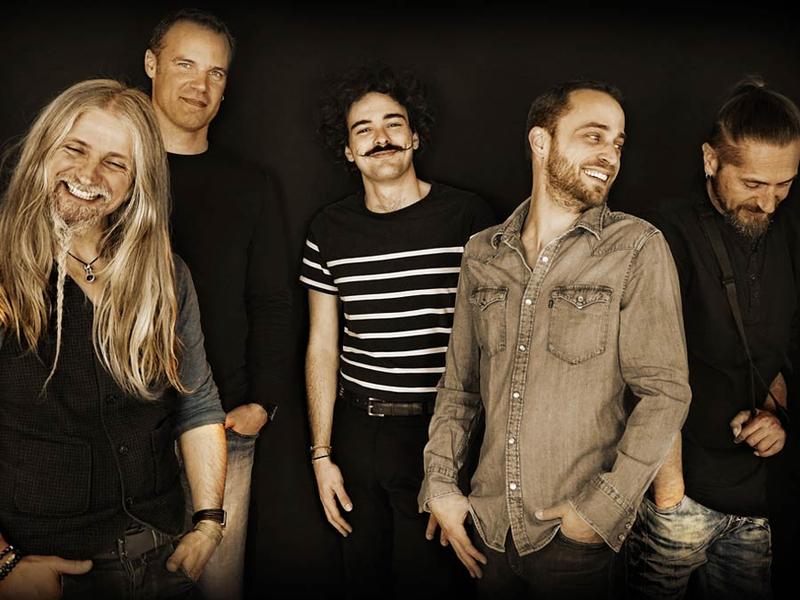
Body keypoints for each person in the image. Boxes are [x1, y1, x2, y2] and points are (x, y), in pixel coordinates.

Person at [419, 80, 692, 599]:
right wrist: (440, 484)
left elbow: (665, 393)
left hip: (577, 543)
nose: (610, 155)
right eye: (594, 136)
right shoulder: (483, 253)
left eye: (618, 143)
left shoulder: (635, 247)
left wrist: (602, 508)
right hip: (490, 529)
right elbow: (459, 387)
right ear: (541, 141)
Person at [0, 79, 226, 599]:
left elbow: (198, 405)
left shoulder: (165, 273)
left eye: (115, 163)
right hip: (46, 575)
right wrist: (4, 565)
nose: (88, 175)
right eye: (75, 149)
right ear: (43, 150)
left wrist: (209, 523)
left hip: (165, 559)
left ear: (136, 182)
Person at [299, 65, 495, 598]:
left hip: (441, 434)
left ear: (415, 136)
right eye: (363, 129)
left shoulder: (468, 217)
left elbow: (496, 340)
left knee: (433, 582)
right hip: (357, 434)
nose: (380, 138)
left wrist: (465, 459)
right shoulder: (328, 229)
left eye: (393, 123)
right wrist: (322, 454)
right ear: (348, 150)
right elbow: (322, 346)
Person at [625, 77, 800, 600]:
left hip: (755, 505)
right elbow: (645, 371)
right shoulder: (662, 233)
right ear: (710, 159)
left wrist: (776, 417)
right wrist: (670, 497)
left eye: (785, 184)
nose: (770, 203)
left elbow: (782, 345)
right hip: (679, 502)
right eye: (753, 184)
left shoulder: (787, 230)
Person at [145, 10, 293, 600]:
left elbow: (272, 301)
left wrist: (264, 402)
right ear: (151, 64)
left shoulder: (250, 184)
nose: (200, 85)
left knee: (217, 585)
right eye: (185, 64)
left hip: (224, 424)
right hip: (123, 428)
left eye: (216, 72)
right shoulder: (111, 173)